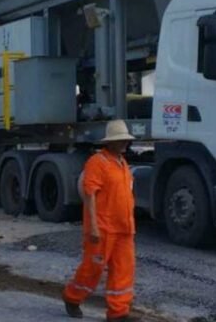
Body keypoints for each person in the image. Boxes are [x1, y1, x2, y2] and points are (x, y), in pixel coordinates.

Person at [63, 120, 139, 322]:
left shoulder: (122, 164)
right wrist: (94, 228)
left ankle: (118, 313)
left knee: (124, 269)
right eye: (120, 140)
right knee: (93, 268)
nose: (124, 143)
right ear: (110, 142)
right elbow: (90, 195)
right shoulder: (98, 162)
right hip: (103, 228)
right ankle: (72, 297)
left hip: (124, 228)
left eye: (125, 140)